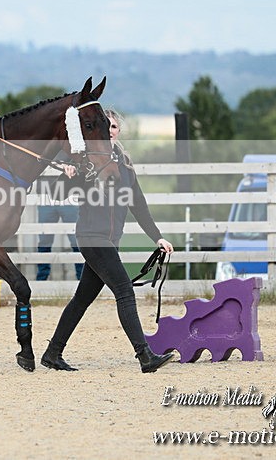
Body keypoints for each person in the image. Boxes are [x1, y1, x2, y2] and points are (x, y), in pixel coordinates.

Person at [41, 109, 175, 373]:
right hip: (92, 237)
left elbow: (139, 206)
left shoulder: (125, 166)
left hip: (110, 241)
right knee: (124, 291)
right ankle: (145, 356)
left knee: (81, 299)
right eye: (105, 127)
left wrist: (157, 237)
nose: (110, 131)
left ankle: (52, 353)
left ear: (118, 131)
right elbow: (56, 194)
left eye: (113, 126)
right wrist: (66, 175)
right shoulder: (87, 163)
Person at [35, 151, 83, 281]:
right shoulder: (42, 145)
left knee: (76, 240)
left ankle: (81, 279)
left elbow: (81, 161)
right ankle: (42, 280)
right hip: (45, 196)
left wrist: (71, 167)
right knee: (44, 240)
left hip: (69, 196)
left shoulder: (71, 145)